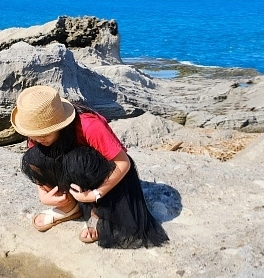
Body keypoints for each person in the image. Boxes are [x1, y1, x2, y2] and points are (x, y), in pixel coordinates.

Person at [11, 85, 169, 248]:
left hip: (100, 172)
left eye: (44, 134)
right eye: (33, 135)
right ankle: (68, 206)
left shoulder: (89, 125)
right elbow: (37, 163)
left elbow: (123, 163)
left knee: (78, 161)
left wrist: (95, 194)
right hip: (74, 171)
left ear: (59, 124)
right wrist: (43, 194)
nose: (38, 139)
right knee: (35, 156)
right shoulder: (37, 135)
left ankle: (97, 212)